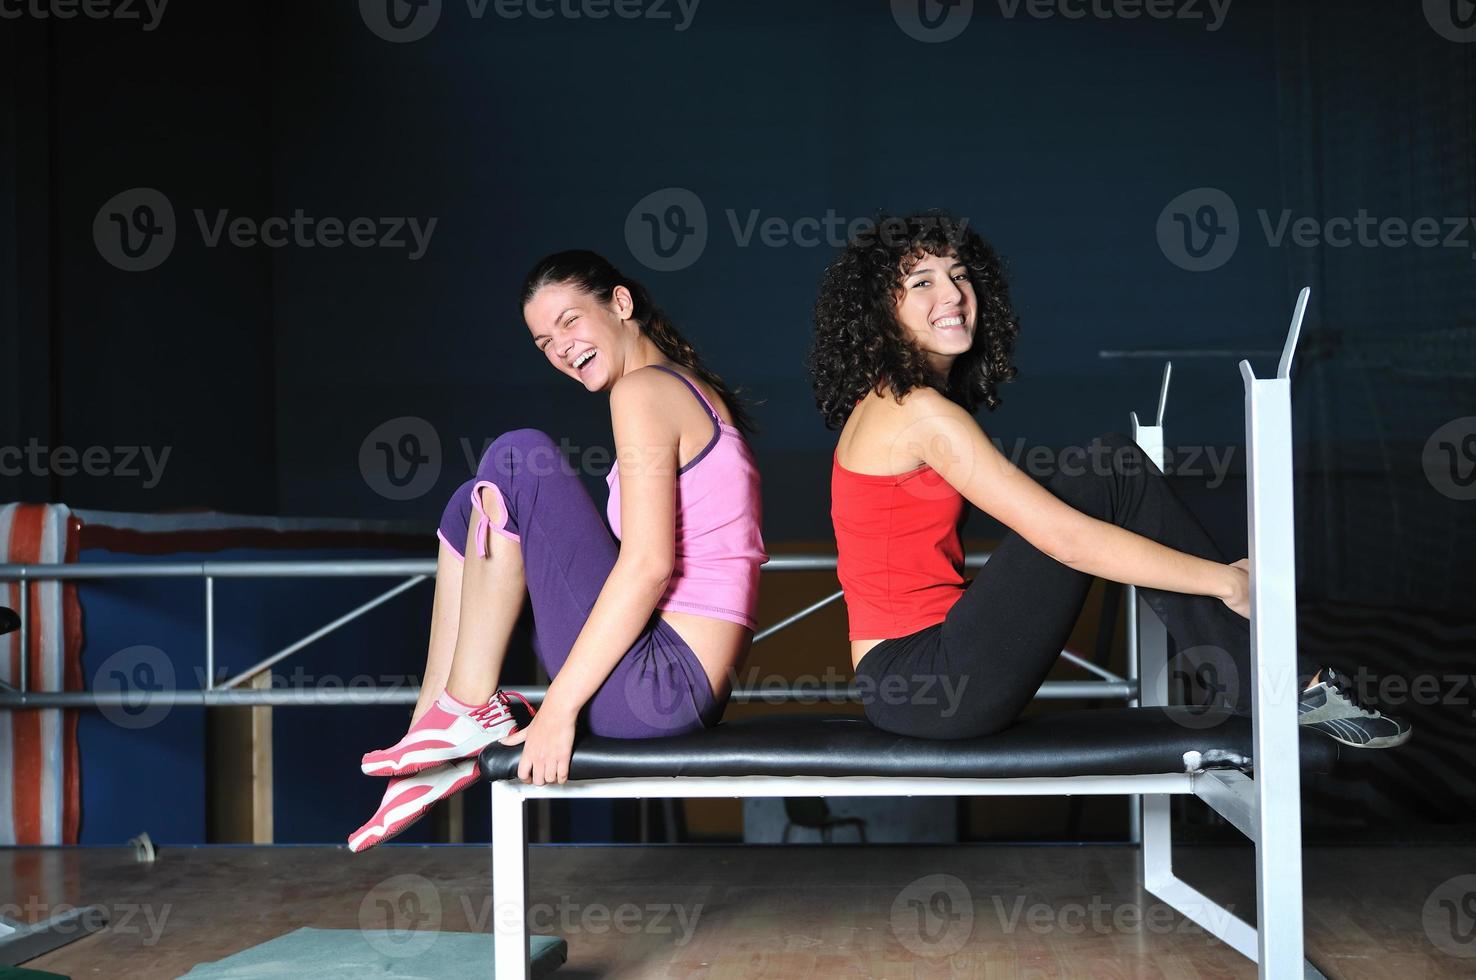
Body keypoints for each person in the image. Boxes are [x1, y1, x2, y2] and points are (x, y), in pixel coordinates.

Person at [807, 211, 1410, 748]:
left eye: (959, 275)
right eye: (922, 282)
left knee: (1111, 470)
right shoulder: (918, 412)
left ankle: (1274, 684)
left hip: (917, 679)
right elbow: (1064, 540)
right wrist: (1225, 582)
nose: (953, 294)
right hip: (924, 682)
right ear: (880, 313)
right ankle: (1279, 684)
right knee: (1110, 468)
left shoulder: (893, 403)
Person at [349, 250, 767, 851]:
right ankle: (430, 734)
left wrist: (556, 712)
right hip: (647, 683)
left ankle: (466, 712)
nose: (561, 348)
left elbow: (650, 567)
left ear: (621, 304)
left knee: (518, 456)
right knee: (471, 503)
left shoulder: (646, 392)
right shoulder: (668, 390)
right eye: (545, 341)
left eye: (570, 321)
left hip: (659, 689)